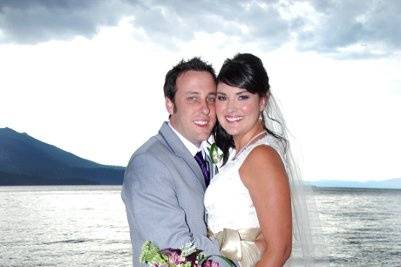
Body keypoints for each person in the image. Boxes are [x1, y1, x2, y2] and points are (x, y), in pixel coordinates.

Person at [204, 53, 315, 267]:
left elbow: (279, 250)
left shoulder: (261, 156)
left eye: (242, 97)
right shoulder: (240, 154)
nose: (230, 108)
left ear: (262, 101)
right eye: (222, 97)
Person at [121, 58, 221, 266]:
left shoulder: (213, 155)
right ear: (169, 103)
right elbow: (177, 252)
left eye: (211, 99)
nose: (205, 109)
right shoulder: (148, 164)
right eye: (193, 98)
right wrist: (240, 246)